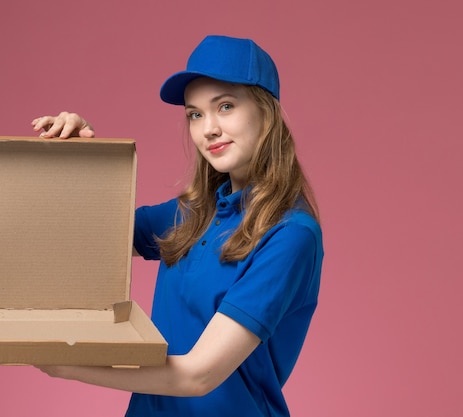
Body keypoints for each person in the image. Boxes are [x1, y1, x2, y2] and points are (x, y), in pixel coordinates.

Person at [31, 35, 323, 417]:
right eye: (195, 114)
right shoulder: (192, 213)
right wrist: (81, 156)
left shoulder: (290, 234)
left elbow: (198, 375)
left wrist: (69, 366)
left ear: (266, 112)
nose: (208, 129)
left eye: (226, 106)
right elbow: (85, 237)